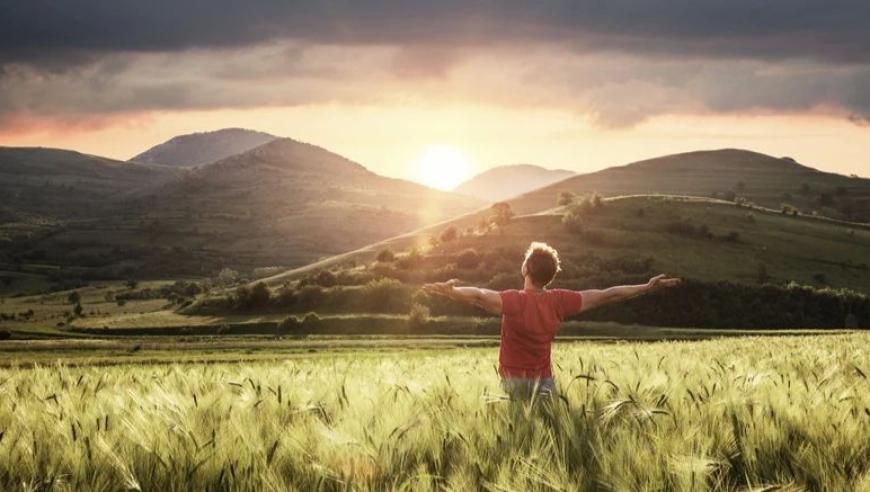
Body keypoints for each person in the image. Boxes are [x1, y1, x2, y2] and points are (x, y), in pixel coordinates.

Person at [423, 241, 681, 400]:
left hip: (512, 382)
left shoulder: (514, 301)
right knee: (548, 435)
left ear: (525, 270)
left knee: (518, 441)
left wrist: (453, 292)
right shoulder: (560, 301)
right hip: (544, 382)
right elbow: (607, 295)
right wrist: (647, 287)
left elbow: (480, 296)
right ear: (551, 276)